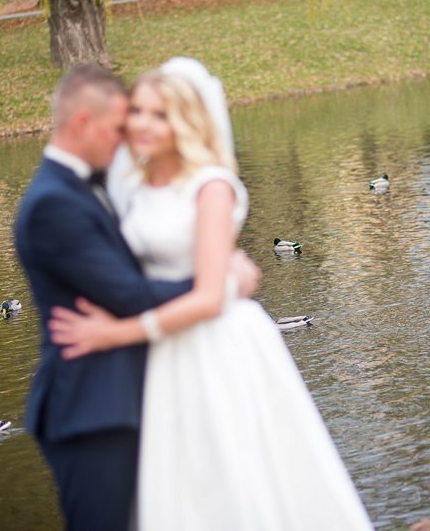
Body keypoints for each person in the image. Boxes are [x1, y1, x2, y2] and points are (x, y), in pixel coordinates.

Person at [48, 57, 372, 530]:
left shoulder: (210, 186)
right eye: (137, 111)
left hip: (212, 342)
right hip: (160, 351)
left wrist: (115, 334)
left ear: (185, 121)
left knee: (232, 470)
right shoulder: (133, 185)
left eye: (160, 115)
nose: (143, 124)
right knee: (175, 479)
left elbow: (207, 297)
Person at [13, 63, 260, 531]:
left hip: (142, 385)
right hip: (90, 405)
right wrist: (222, 282)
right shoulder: (53, 204)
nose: (128, 136)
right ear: (84, 123)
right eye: (121, 125)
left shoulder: (97, 186)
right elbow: (129, 294)